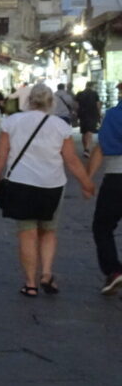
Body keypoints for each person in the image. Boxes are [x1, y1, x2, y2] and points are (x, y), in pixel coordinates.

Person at [0, 83, 94, 297]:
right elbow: (71, 160)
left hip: (20, 183)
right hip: (52, 184)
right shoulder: (60, 126)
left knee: (27, 233)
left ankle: (30, 284)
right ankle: (46, 273)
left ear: (29, 101)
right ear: (50, 103)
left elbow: (1, 155)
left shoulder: (12, 122)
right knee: (48, 231)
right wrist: (86, 183)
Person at [88, 83, 122, 295]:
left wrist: (87, 179)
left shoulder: (113, 115)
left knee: (102, 226)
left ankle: (114, 271)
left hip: (117, 178)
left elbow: (101, 148)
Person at [75, 81, 101, 159]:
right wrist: (99, 114)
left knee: (84, 131)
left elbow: (76, 105)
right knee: (90, 131)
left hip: (82, 115)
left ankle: (86, 149)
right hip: (92, 114)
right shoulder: (94, 93)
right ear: (92, 86)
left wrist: (77, 114)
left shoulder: (79, 93)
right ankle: (87, 149)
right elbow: (98, 105)